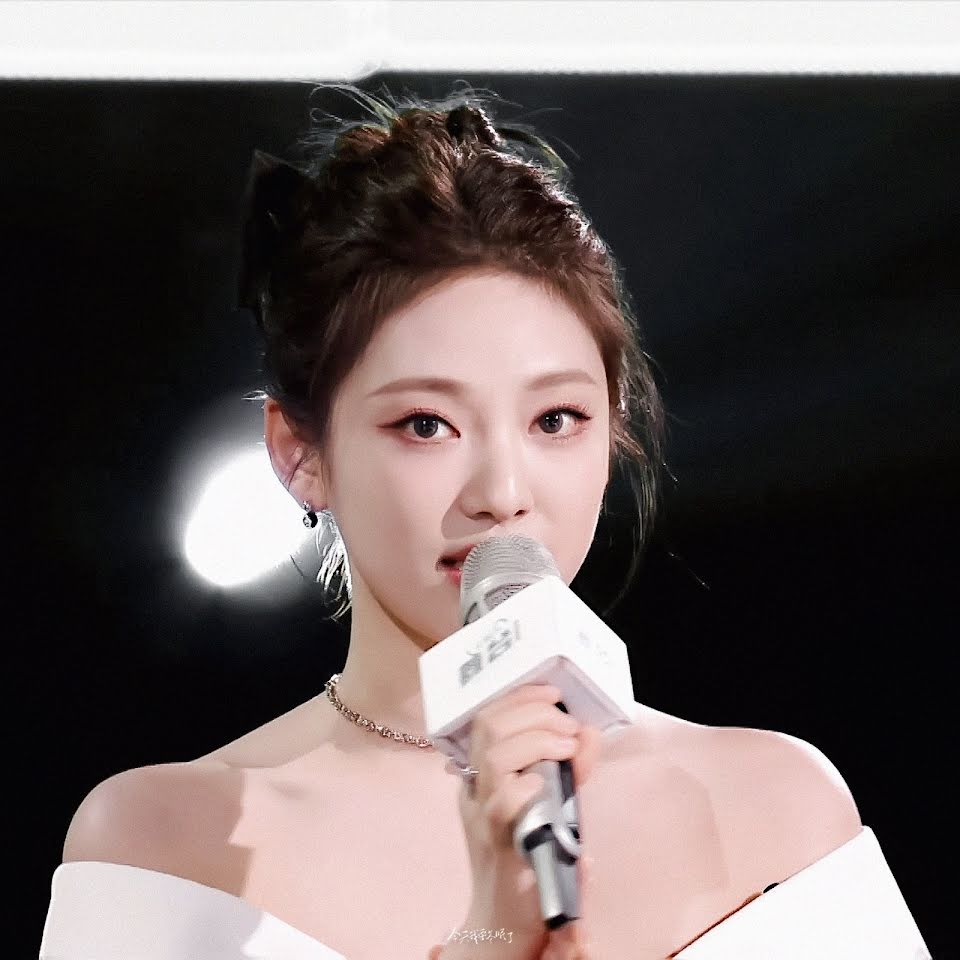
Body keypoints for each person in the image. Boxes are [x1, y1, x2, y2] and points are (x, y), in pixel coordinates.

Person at [39, 84, 927, 960]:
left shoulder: (778, 808)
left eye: (555, 419)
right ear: (300, 453)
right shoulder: (165, 843)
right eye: (427, 425)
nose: (502, 492)